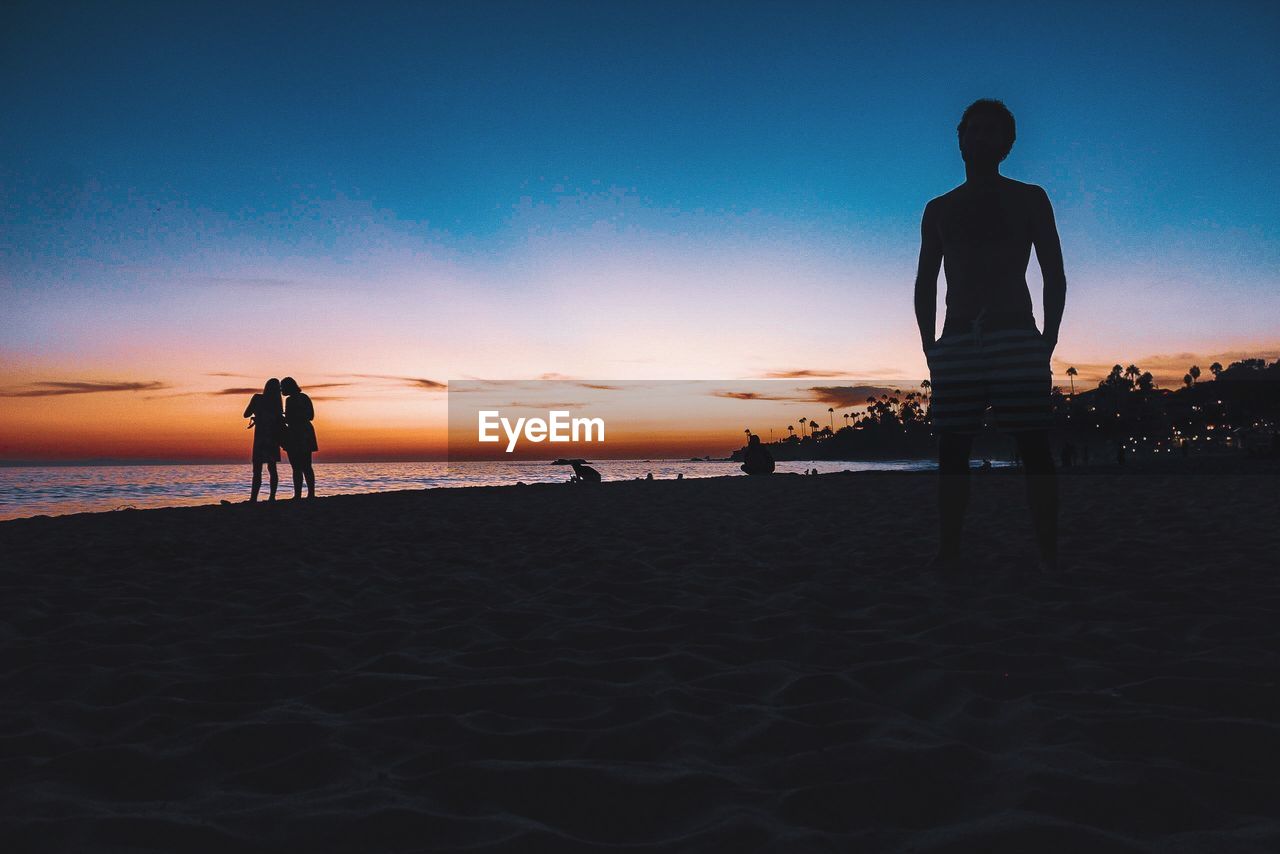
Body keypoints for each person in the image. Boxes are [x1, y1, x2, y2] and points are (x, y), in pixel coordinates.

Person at [914, 98, 1066, 572]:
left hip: (1016, 333)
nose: (979, 138)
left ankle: (1047, 551)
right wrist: (929, 345)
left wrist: (1048, 338)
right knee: (952, 448)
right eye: (971, 130)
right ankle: (950, 550)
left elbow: (1054, 274)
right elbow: (925, 280)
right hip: (957, 338)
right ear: (959, 138)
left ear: (1007, 144)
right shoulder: (939, 209)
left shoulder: (1030, 198)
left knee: (1034, 444)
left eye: (989, 131)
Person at [242, 378, 285, 502]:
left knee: (257, 470)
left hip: (261, 437)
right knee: (272, 469)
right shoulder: (277, 403)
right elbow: (279, 420)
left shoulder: (257, 398)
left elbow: (246, 414)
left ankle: (253, 498)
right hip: (273, 437)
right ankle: (272, 497)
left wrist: (257, 414)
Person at [280, 377, 318, 499]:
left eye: (283, 387)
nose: (281, 390)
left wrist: (287, 418)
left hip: (300, 433)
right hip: (299, 432)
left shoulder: (294, 399)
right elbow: (309, 416)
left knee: (301, 466)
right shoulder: (299, 398)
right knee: (302, 466)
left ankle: (305, 494)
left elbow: (310, 416)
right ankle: (304, 494)